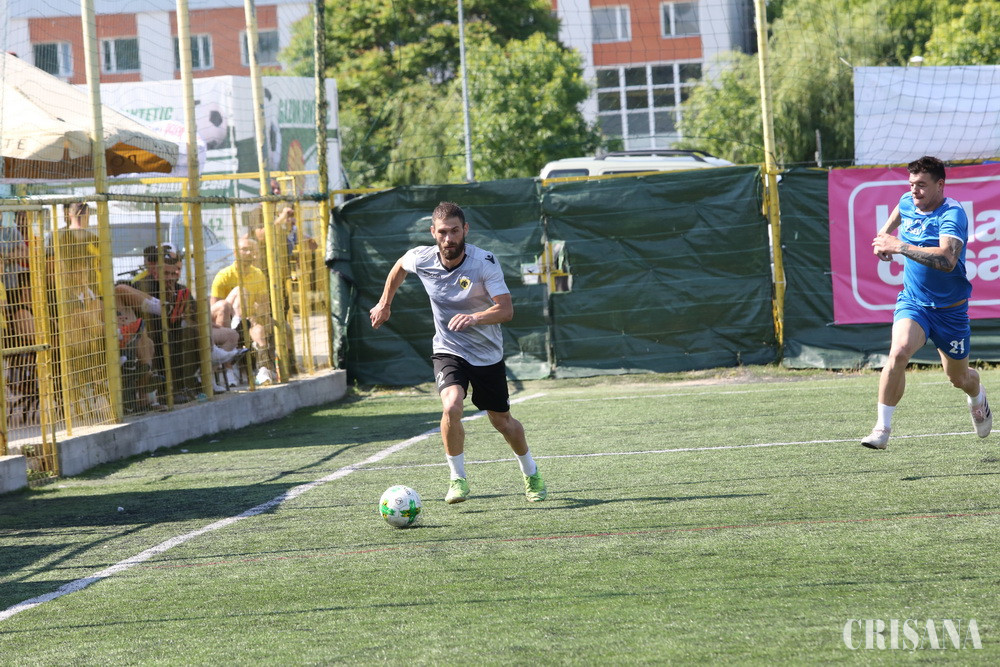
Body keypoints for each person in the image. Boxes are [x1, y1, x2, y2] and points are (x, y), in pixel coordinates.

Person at [369, 201, 547, 503]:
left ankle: (531, 472)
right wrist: (384, 304)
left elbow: (506, 310)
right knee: (451, 406)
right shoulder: (422, 258)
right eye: (442, 232)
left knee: (502, 422)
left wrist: (475, 318)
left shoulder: (484, 262)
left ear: (465, 229)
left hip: (487, 354)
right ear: (433, 232)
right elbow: (399, 266)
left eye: (454, 231)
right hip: (448, 349)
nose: (448, 238)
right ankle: (457, 479)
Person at [864, 155, 991, 449]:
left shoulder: (952, 214)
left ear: (940, 184)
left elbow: (947, 260)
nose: (914, 190)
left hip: (950, 312)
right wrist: (883, 236)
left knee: (959, 378)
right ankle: (882, 429)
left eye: (921, 184)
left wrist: (899, 246)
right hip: (914, 303)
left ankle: (977, 396)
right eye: (911, 184)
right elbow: (900, 209)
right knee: (898, 352)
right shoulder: (908, 202)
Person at [210, 236, 275, 385]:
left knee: (260, 331)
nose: (249, 253)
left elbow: (264, 305)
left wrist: (256, 316)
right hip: (226, 321)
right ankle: (237, 325)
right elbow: (215, 308)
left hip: (250, 319)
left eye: (251, 250)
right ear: (235, 252)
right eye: (245, 249)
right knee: (241, 291)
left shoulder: (258, 274)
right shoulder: (224, 275)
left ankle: (263, 370)